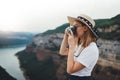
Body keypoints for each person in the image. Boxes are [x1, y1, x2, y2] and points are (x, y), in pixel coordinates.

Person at [59, 14, 99, 80]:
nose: (73, 29)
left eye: (76, 26)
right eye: (72, 26)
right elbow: (62, 52)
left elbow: (70, 70)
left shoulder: (91, 49)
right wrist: (66, 36)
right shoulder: (81, 45)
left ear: (85, 28)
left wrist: (71, 46)